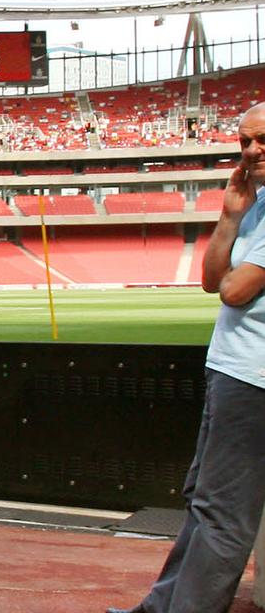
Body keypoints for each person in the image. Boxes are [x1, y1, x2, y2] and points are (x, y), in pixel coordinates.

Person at [106, 102, 265, 613]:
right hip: (232, 367)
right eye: (243, 141)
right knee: (203, 499)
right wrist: (229, 217)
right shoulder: (257, 205)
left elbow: (234, 290)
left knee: (224, 514)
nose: (251, 151)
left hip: (255, 377)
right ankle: (159, 608)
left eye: (262, 140)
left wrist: (230, 255)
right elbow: (209, 280)